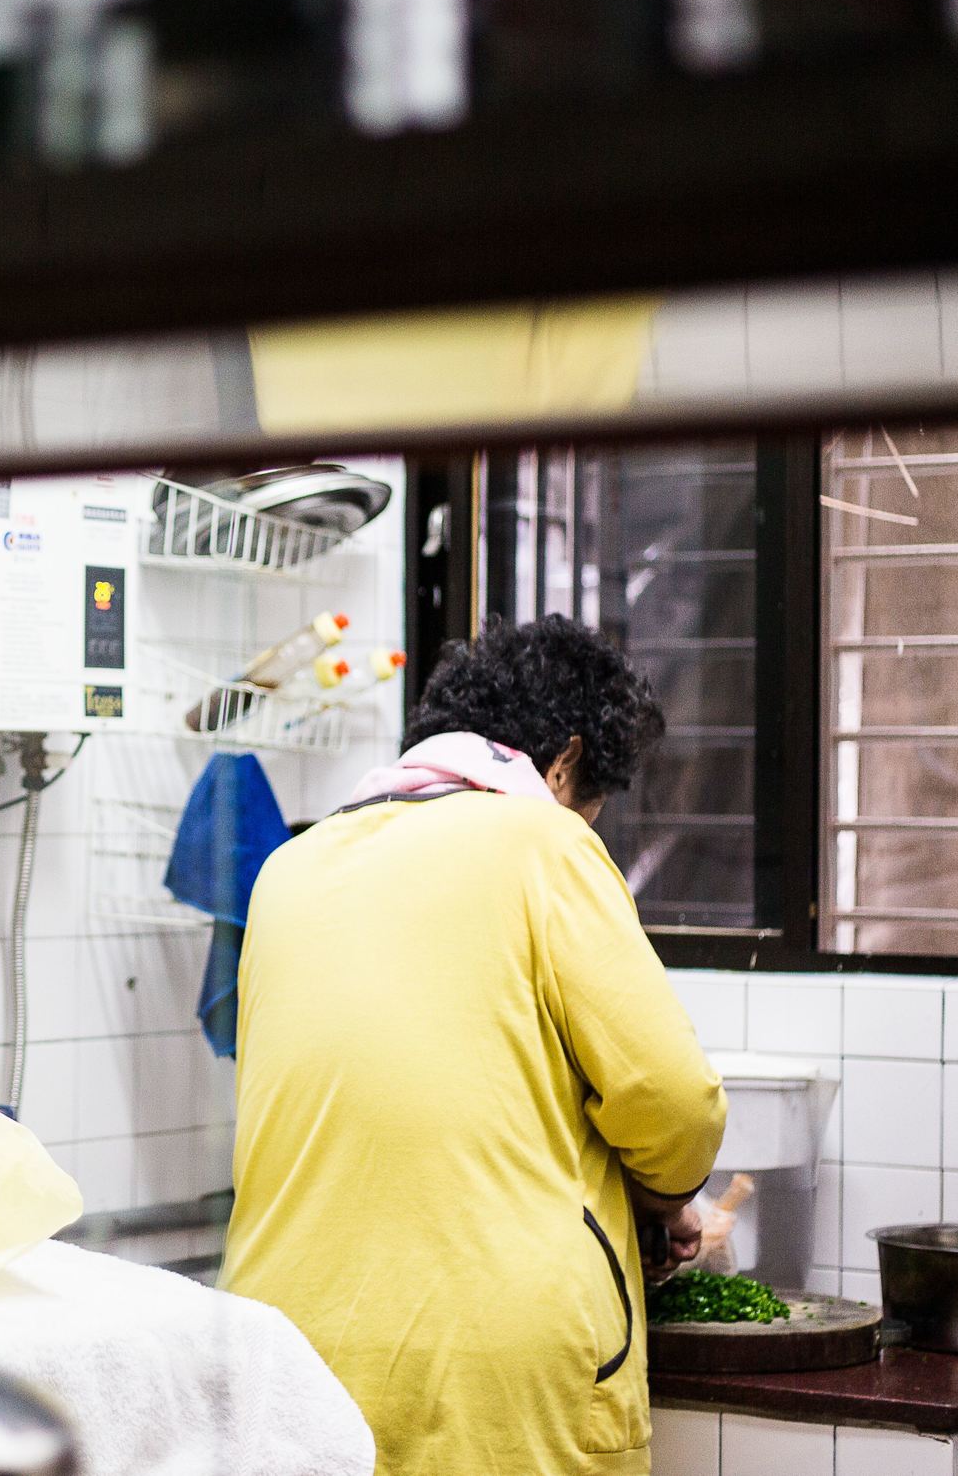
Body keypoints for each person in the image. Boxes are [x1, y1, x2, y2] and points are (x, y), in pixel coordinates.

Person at [222, 616, 728, 1476]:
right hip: (489, 1373)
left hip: (285, 1355)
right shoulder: (545, 842)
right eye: (595, 800)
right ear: (564, 763)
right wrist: (668, 1195)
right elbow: (673, 1098)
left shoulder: (290, 868)